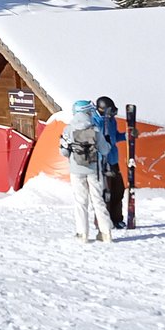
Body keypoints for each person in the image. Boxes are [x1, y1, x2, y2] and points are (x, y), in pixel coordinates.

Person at [60, 100, 113, 243]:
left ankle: (82, 234)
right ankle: (105, 233)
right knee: (98, 201)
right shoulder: (95, 129)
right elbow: (105, 150)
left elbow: (64, 152)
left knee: (80, 202)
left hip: (76, 170)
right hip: (93, 169)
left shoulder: (68, 130)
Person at [92, 96, 127, 229]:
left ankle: (117, 218)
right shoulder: (95, 121)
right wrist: (103, 120)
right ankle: (102, 221)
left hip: (113, 159)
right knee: (105, 192)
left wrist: (125, 136)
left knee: (119, 190)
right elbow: (98, 138)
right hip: (101, 162)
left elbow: (114, 136)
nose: (112, 115)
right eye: (110, 112)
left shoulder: (112, 121)